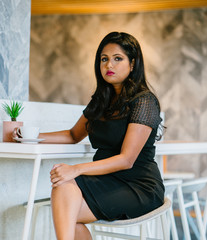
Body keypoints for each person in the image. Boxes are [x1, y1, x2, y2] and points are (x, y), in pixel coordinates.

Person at [38, 31, 164, 240]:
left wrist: (76, 169)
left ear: (132, 64)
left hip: (139, 186)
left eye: (117, 59)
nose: (109, 66)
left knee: (67, 212)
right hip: (106, 182)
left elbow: (126, 160)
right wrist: (28, 137)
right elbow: (72, 135)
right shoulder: (101, 101)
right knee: (64, 193)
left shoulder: (144, 102)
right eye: (104, 59)